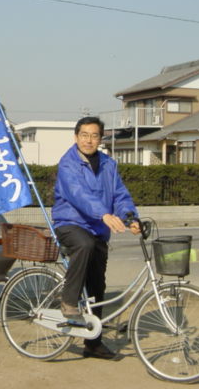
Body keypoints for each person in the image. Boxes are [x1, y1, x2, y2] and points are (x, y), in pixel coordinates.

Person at [52, 116, 141, 360]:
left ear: (100, 139)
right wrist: (103, 213)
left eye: (94, 135)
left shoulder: (109, 165)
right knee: (85, 244)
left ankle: (93, 344)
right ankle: (69, 301)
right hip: (70, 223)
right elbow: (78, 194)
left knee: (97, 287)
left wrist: (131, 217)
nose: (89, 140)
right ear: (76, 137)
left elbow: (120, 196)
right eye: (84, 135)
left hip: (98, 228)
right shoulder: (68, 164)